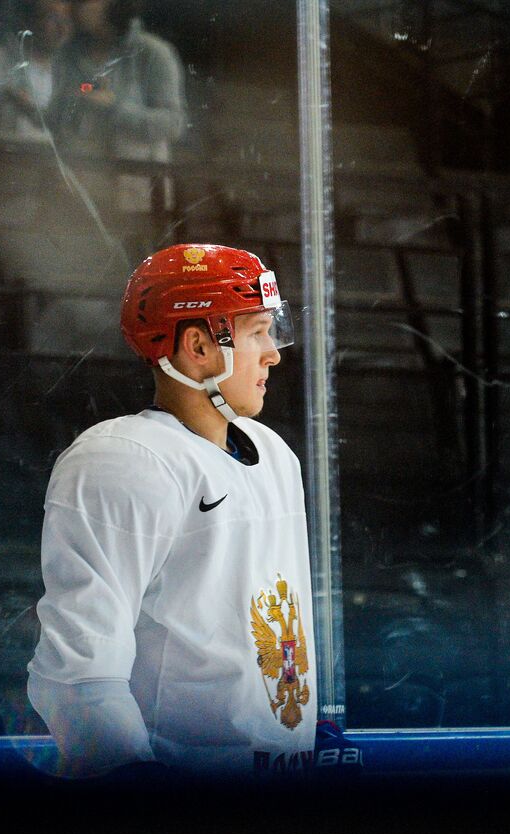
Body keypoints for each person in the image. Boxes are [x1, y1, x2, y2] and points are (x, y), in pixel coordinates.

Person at [27, 244, 317, 777]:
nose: (274, 352)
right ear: (199, 345)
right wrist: (130, 779)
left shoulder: (274, 454)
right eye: (256, 332)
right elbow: (79, 670)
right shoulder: (122, 460)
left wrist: (296, 734)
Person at [48, 0, 185, 210]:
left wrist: (114, 107)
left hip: (136, 195)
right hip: (79, 195)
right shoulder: (67, 54)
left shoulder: (154, 53)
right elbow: (55, 119)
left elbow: (173, 125)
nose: (78, 7)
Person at [0, 0, 72, 143]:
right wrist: (29, 144)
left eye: (67, 20)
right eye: (52, 18)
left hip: (49, 164)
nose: (62, 28)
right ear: (28, 20)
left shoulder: (65, 74)